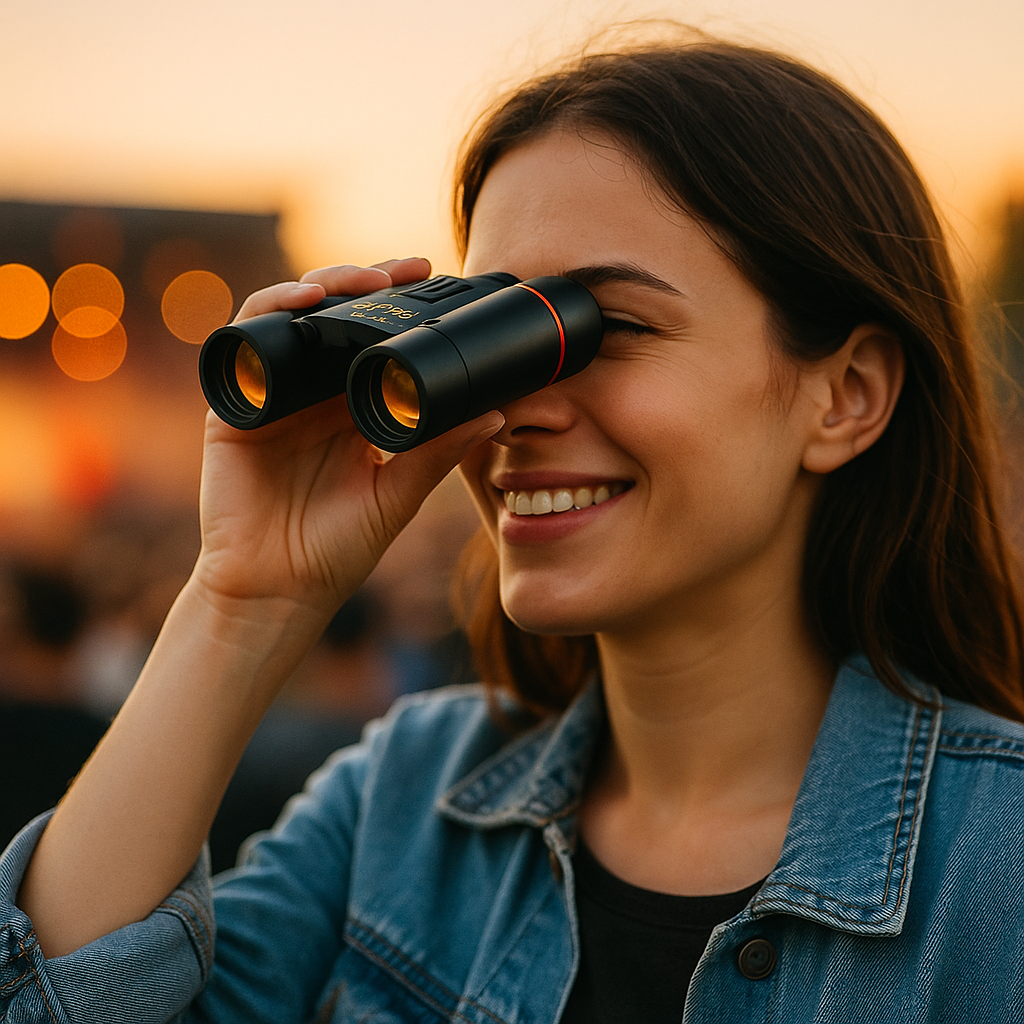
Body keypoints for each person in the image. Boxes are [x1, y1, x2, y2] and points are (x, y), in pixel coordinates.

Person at [3, 30, 1024, 1024]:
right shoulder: (403, 804)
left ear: (846, 394)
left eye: (604, 328)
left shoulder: (998, 864)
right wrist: (243, 601)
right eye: (491, 332)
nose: (516, 406)